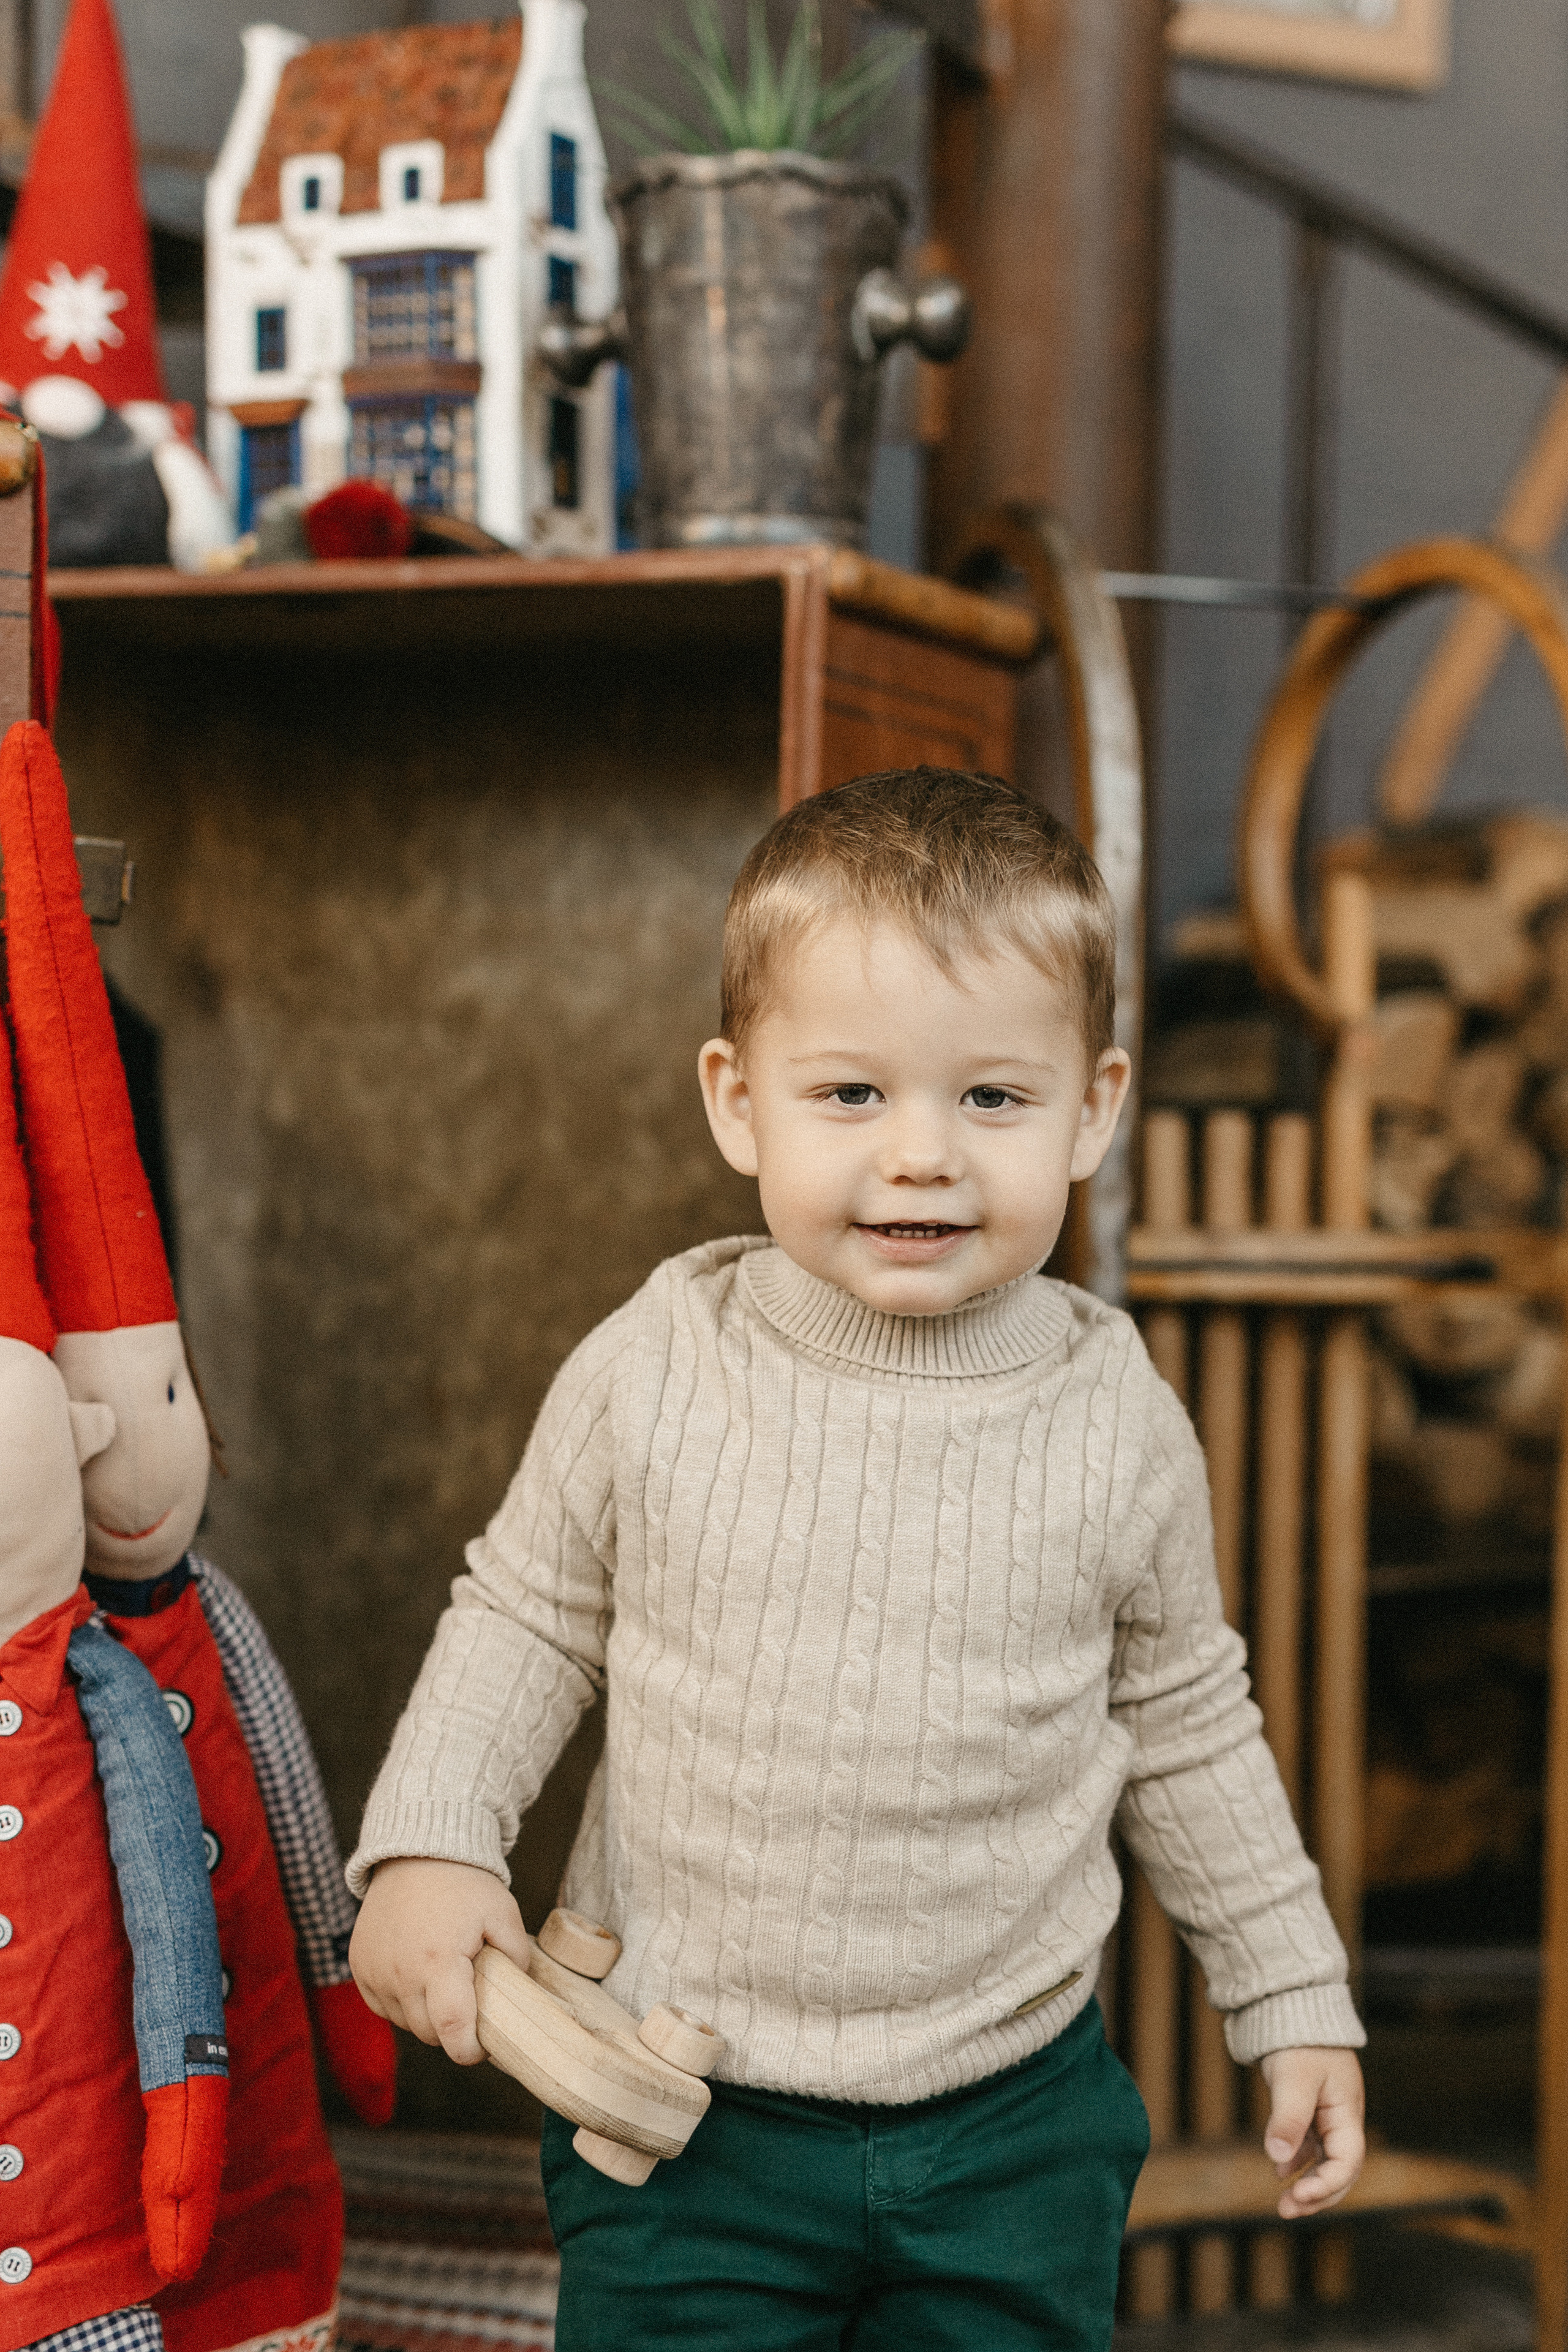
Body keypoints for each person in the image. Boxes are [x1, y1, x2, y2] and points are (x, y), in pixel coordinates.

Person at [348, 768, 1366, 2350]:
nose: (921, 1158)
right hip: (683, 2109)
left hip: (1010, 2120)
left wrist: (1291, 1993)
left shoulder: (1116, 1417)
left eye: (992, 1100)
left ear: (1092, 1110)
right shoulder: (656, 1362)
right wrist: (433, 1838)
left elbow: (1186, 1718)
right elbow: (529, 1615)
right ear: (736, 1099)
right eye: (850, 1096)